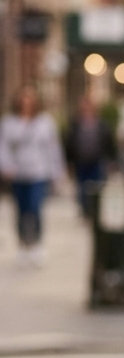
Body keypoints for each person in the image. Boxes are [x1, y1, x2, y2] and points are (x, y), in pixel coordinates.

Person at [0, 85, 64, 265]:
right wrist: (6, 166)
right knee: (20, 211)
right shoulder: (9, 122)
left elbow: (53, 149)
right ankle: (22, 245)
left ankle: (37, 244)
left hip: (38, 172)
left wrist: (57, 172)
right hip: (18, 174)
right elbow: (3, 147)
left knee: (36, 209)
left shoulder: (45, 122)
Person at [64, 94, 116, 220]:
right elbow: (69, 144)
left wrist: (112, 161)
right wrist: (68, 162)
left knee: (97, 187)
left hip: (97, 161)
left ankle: (94, 210)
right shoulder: (75, 124)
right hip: (80, 161)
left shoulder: (102, 125)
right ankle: (85, 211)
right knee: (82, 188)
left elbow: (110, 143)